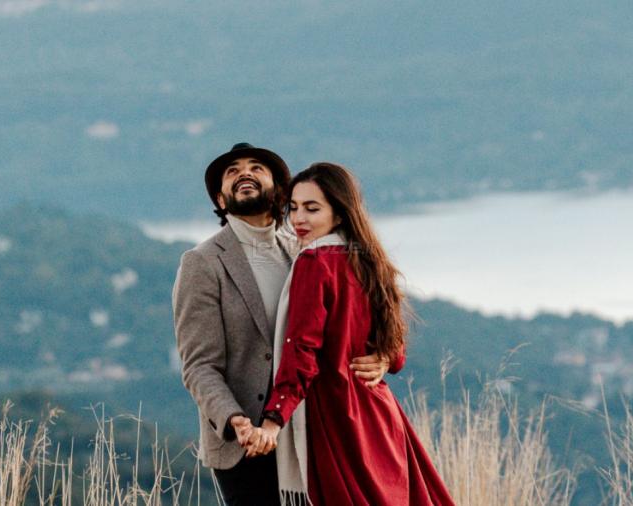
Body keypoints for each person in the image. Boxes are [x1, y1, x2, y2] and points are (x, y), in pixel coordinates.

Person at [172, 144, 392, 506]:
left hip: (315, 432)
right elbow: (198, 365)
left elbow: (366, 314)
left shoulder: (308, 249)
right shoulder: (203, 264)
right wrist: (235, 420)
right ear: (221, 201)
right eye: (232, 172)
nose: (244, 173)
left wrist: (383, 354)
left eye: (257, 168)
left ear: (279, 192)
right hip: (248, 443)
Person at [242, 162, 455, 506]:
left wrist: (273, 419)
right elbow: (396, 351)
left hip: (338, 414)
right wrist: (384, 359)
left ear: (339, 214)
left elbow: (302, 351)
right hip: (378, 413)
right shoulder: (368, 259)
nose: (299, 219)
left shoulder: (314, 262)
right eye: (293, 208)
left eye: (312, 209)